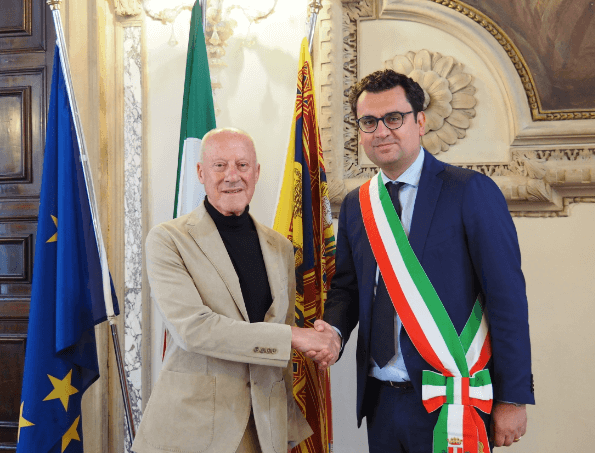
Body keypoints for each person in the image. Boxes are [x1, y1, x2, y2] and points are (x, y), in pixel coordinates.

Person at [309, 70, 535, 452]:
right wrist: (332, 330)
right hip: (380, 401)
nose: (381, 131)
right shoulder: (356, 205)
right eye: (369, 122)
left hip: (451, 398)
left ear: (420, 121)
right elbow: (347, 288)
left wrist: (512, 398)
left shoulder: (469, 190)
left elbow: (506, 298)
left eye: (394, 118)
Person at [132, 128, 334, 453]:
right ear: (201, 172)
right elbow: (194, 330)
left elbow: (275, 345)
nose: (232, 176)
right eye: (220, 165)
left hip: (265, 426)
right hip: (195, 429)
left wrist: (285, 426)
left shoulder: (281, 248)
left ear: (256, 173)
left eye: (242, 165)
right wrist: (294, 337)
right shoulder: (168, 240)